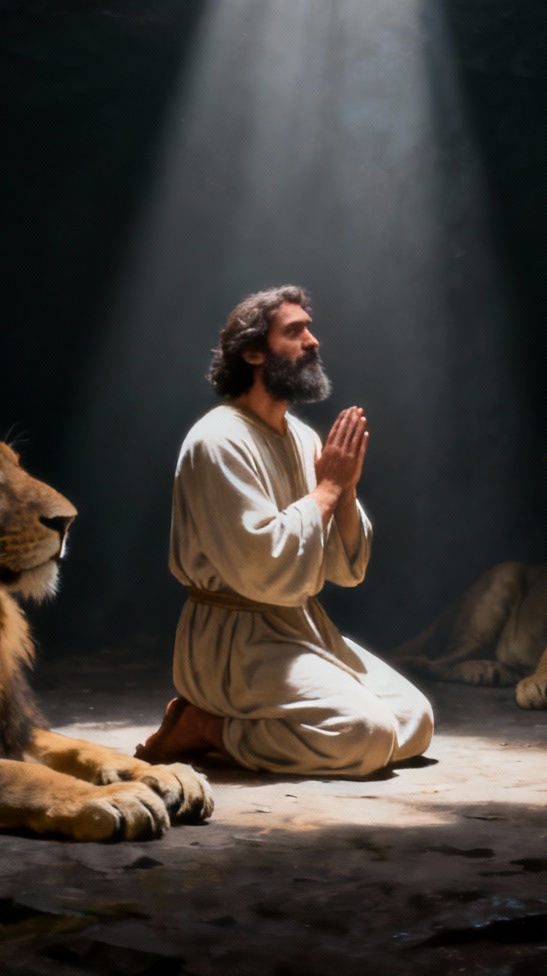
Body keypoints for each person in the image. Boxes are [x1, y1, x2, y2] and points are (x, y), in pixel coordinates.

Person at [135, 286, 434, 776]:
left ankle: (226, 727)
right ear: (253, 352)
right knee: (368, 735)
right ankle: (206, 726)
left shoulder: (302, 437)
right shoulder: (217, 440)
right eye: (295, 331)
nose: (313, 341)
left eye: (309, 329)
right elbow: (261, 569)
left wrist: (346, 492)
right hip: (235, 643)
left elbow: (345, 570)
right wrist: (326, 490)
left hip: (301, 627)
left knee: (415, 720)